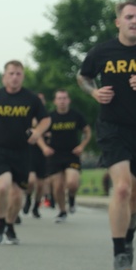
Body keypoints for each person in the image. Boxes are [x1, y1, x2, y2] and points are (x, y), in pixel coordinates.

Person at [78, 0, 136, 270]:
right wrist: (93, 91)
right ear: (119, 21)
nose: (134, 21)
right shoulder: (102, 51)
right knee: (121, 189)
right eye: (129, 17)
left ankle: (129, 238)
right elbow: (83, 77)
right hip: (112, 128)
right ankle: (120, 252)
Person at [0, 61, 50, 245]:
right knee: (2, 186)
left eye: (18, 74)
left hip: (23, 152)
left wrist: (37, 132)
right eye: (11, 73)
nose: (14, 77)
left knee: (18, 195)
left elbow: (46, 119)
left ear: (22, 77)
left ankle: (10, 225)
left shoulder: (31, 99)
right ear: (5, 76)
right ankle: (0, 220)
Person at [39, 89, 91, 223]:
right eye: (59, 98)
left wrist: (82, 146)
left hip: (71, 154)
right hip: (55, 155)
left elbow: (87, 131)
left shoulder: (76, 115)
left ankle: (72, 198)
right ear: (55, 101)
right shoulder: (50, 118)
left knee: (72, 183)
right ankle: (62, 211)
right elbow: (37, 133)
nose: (62, 101)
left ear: (69, 100)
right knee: (57, 187)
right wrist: (44, 147)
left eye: (64, 98)